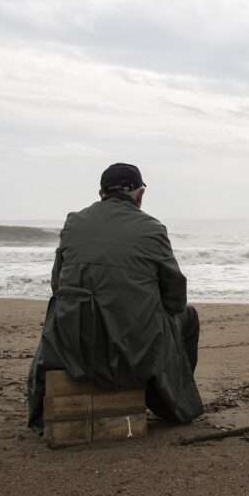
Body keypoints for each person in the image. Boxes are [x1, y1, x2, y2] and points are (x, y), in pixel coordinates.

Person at [27, 162, 203, 432]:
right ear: (139, 195)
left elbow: (57, 285)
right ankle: (170, 403)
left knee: (59, 310)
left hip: (73, 350)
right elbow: (175, 297)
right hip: (133, 354)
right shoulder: (152, 229)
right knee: (188, 317)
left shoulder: (74, 222)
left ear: (101, 194)